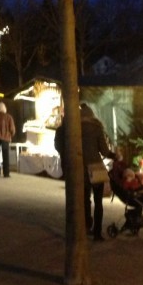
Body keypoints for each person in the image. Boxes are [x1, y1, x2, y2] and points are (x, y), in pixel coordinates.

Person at [55, 103, 116, 241]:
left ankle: (86, 226)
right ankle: (97, 233)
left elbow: (58, 145)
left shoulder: (68, 127)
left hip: (77, 168)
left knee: (84, 199)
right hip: (95, 168)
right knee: (98, 201)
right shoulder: (96, 127)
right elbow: (104, 151)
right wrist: (114, 156)